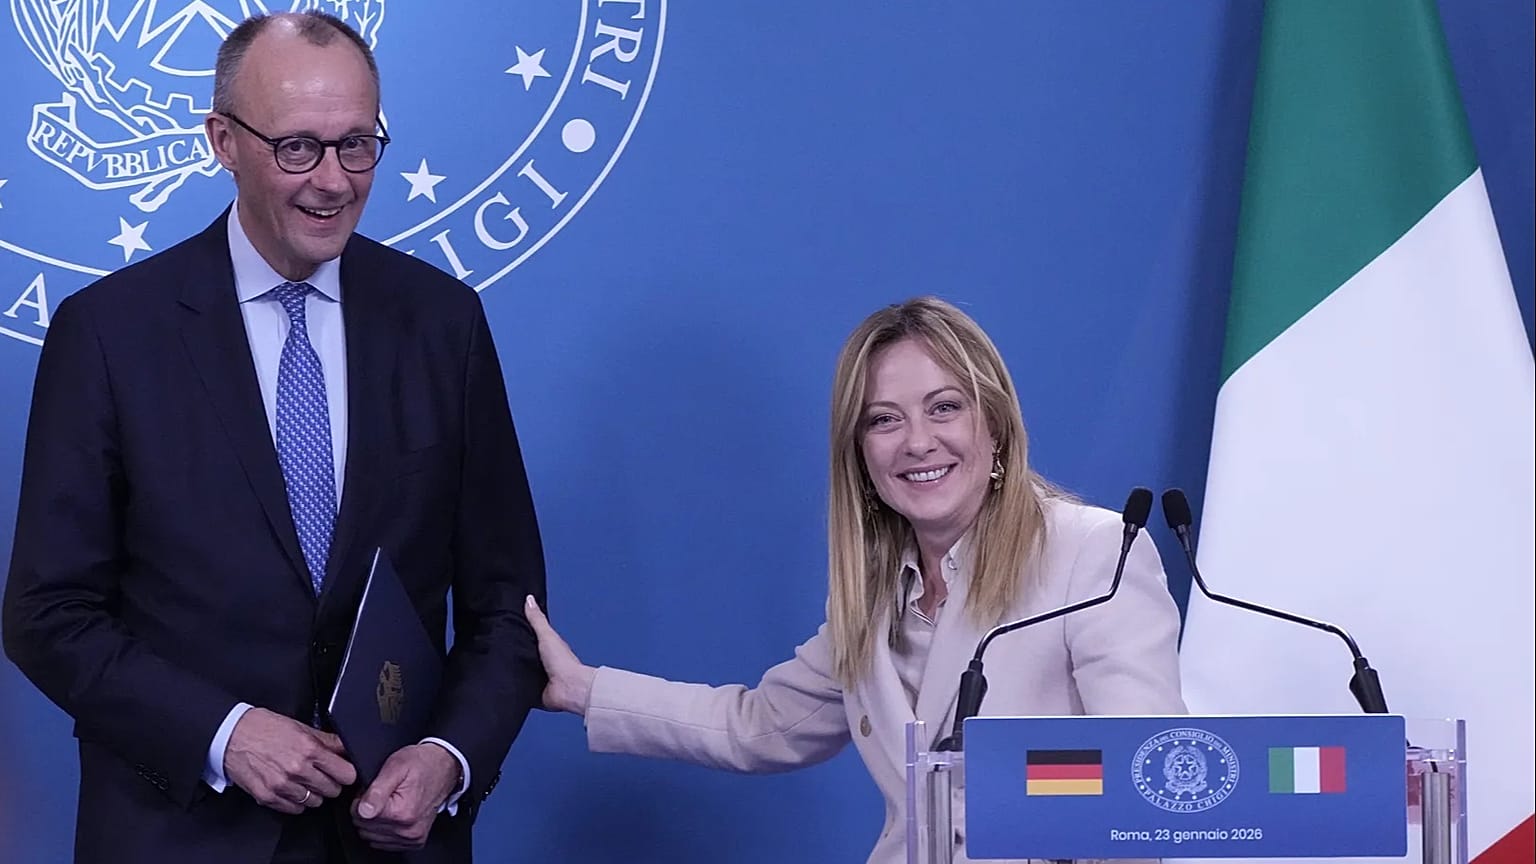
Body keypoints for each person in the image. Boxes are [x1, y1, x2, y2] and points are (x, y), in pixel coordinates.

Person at [1, 11, 545, 864]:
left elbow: (506, 612)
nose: (333, 180)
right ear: (223, 140)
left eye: (357, 144)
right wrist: (224, 734)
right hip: (180, 835)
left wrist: (448, 760)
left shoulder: (444, 324)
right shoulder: (109, 333)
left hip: (390, 844)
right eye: (298, 147)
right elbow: (46, 614)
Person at [526, 296, 1185, 864]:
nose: (917, 442)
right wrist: (584, 689)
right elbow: (763, 723)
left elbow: (1147, 770)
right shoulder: (875, 595)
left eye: (945, 407)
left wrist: (1008, 782)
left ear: (997, 425)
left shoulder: (1092, 552)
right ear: (861, 452)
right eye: (884, 419)